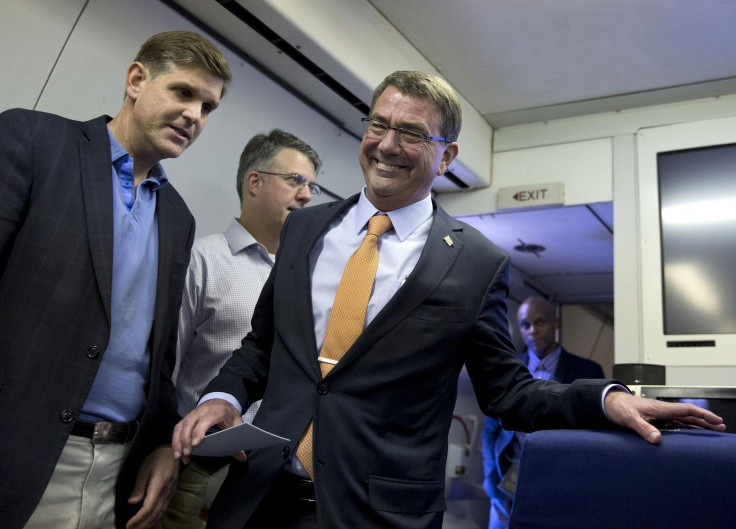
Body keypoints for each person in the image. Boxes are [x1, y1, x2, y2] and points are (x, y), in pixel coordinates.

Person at [171, 70, 725, 529]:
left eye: (410, 133)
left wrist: (605, 400)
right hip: (257, 499)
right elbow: (260, 348)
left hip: (379, 514)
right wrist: (222, 397)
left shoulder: (476, 262)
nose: (386, 144)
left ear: (447, 155)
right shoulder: (305, 229)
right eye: (379, 124)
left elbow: (509, 392)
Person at [0, 31, 231, 529]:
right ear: (135, 80)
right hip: (19, 451)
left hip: (115, 472)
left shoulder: (177, 217)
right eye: (184, 93)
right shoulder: (35, 142)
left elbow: (160, 358)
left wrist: (162, 447)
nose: (195, 115)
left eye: (208, 107)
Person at [162, 130, 321, 529]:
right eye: (295, 180)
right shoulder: (204, 260)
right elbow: (165, 368)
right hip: (199, 471)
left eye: (312, 186)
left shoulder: (307, 276)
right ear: (255, 182)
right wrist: (161, 451)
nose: (306, 195)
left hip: (271, 478)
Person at [482, 296, 605, 529]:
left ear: (555, 323)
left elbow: (593, 435)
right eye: (526, 325)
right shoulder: (505, 370)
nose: (533, 331)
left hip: (561, 482)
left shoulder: (586, 371)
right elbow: (490, 431)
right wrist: (490, 477)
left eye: (540, 322)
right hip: (506, 483)